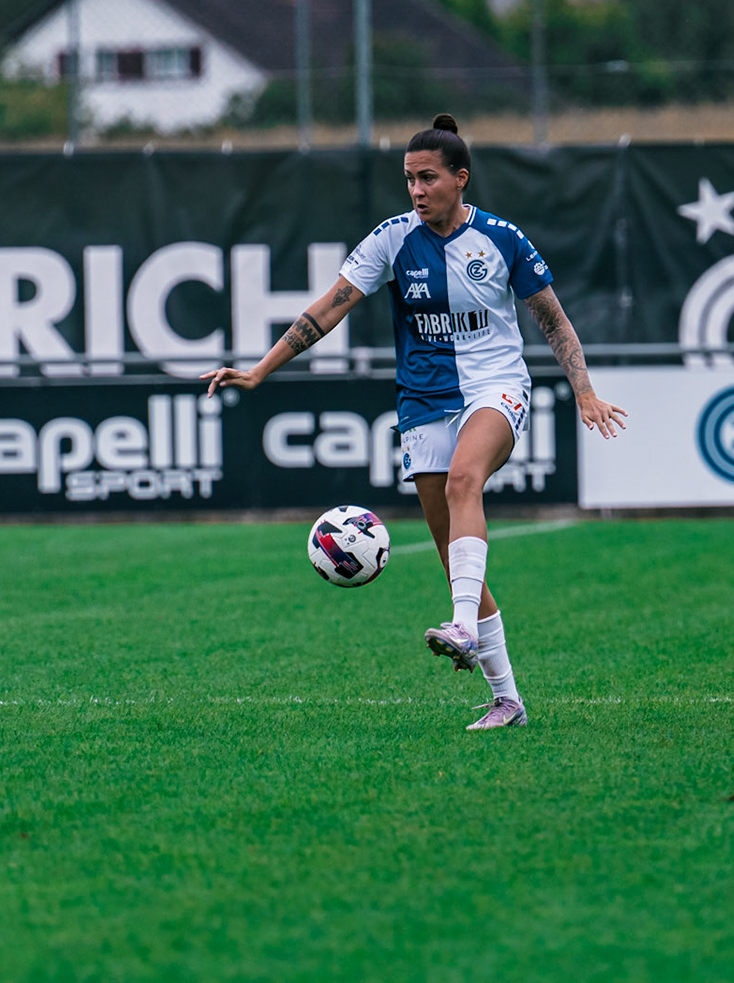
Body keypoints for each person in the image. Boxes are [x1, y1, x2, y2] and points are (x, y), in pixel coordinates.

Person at [202, 113, 627, 731]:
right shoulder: (393, 239)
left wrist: (584, 391)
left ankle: (461, 627)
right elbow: (330, 307)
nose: (417, 190)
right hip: (423, 401)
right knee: (456, 558)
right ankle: (507, 701)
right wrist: (260, 370)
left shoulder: (502, 239)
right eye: (409, 179)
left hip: (495, 386)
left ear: (460, 178)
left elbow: (553, 320)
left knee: (464, 482)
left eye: (428, 178)